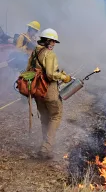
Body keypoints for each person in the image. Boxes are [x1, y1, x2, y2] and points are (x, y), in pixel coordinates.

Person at [26, 28, 72, 159]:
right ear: (48, 41)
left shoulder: (35, 52)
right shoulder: (50, 54)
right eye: (53, 41)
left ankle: (45, 144)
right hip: (49, 90)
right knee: (56, 115)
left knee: (45, 117)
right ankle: (46, 148)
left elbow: (28, 69)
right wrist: (64, 77)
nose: (53, 44)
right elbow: (51, 75)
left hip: (36, 91)